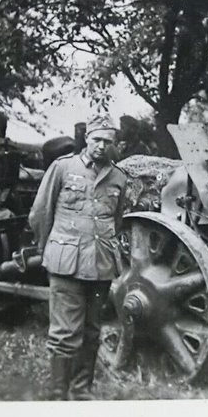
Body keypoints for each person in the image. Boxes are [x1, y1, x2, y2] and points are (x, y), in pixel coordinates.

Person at [29, 114, 127, 401]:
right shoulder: (63, 168)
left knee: (92, 331)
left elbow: (116, 219)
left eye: (107, 141)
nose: (101, 146)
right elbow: (40, 213)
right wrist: (49, 249)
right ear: (87, 138)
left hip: (100, 264)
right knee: (65, 332)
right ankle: (58, 393)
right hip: (66, 262)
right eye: (96, 139)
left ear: (113, 144)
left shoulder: (118, 176)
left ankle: (82, 391)